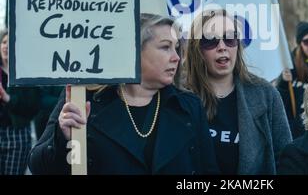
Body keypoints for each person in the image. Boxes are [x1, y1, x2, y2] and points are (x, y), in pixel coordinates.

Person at [29, 14, 219, 175]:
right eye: (165, 47)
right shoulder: (83, 98)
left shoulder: (189, 106)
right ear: (134, 50)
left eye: (176, 47)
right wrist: (64, 139)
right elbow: (39, 167)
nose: (176, 57)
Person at [184, 9, 292, 174]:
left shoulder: (266, 95)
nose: (222, 47)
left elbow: (286, 161)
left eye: (229, 38)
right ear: (197, 48)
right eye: (210, 40)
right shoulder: (179, 98)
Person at [0, 29, 40, 175]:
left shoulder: (25, 74)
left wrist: (7, 98)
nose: (6, 46)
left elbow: (33, 107)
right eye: (4, 42)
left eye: (10, 43)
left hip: (17, 136)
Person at [276, 21, 308, 138]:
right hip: (295, 130)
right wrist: (284, 83)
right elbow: (279, 101)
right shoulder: (289, 65)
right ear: (300, 43)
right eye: (307, 41)